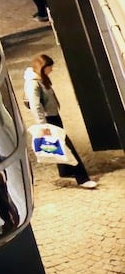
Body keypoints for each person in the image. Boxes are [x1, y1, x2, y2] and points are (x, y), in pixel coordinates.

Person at [24, 54, 96, 188]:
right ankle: (82, 178)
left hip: (54, 116)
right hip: (49, 119)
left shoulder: (40, 79)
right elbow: (36, 105)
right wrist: (43, 125)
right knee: (68, 147)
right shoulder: (33, 83)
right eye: (49, 67)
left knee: (61, 145)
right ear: (42, 68)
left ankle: (66, 170)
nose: (51, 70)